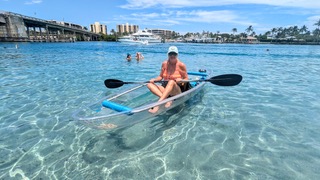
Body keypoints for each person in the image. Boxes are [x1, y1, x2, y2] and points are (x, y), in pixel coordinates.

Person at [147, 46, 189, 113]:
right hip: (165, 88)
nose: (172, 55)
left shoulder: (181, 65)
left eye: (174, 54)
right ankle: (167, 99)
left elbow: (186, 78)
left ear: (177, 55)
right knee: (149, 84)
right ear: (168, 54)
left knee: (171, 81)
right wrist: (154, 80)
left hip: (176, 91)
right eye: (170, 54)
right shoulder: (164, 64)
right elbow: (160, 77)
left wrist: (181, 80)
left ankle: (158, 104)